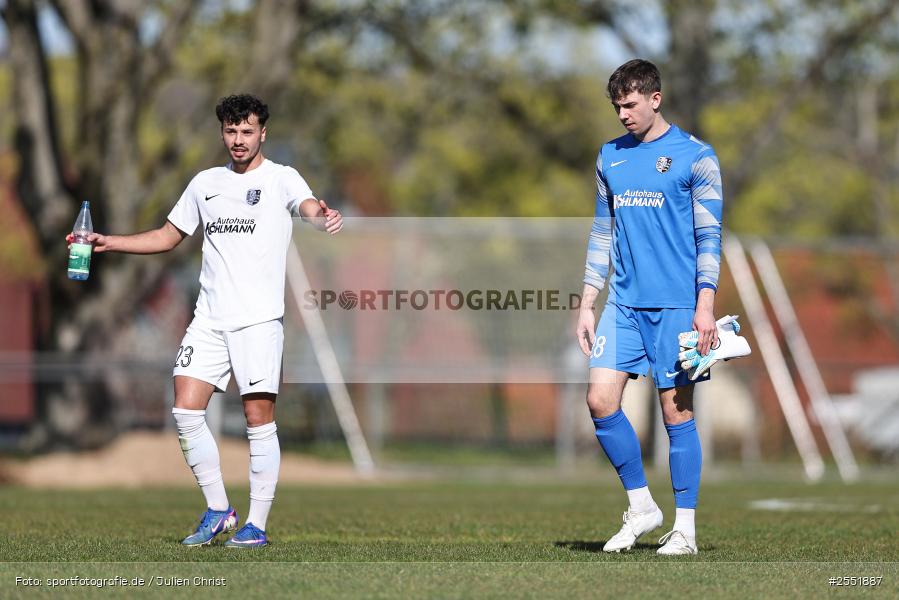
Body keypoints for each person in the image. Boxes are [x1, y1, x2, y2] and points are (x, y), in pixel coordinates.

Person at [67, 94, 343, 548]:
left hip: (258, 322)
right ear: (222, 133)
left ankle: (256, 523)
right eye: (231, 132)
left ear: (262, 133)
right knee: (185, 408)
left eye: (247, 131)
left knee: (259, 419)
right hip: (209, 320)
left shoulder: (281, 179)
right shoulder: (205, 184)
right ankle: (219, 509)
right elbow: (167, 235)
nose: (238, 140)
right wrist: (107, 242)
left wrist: (322, 215)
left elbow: (308, 205)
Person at [575, 59, 723, 555]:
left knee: (675, 413)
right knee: (600, 400)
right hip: (623, 302)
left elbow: (709, 236)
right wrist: (587, 300)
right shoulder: (609, 157)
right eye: (617, 106)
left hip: (679, 306)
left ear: (655, 98)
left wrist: (705, 304)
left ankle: (685, 528)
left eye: (631, 104)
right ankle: (642, 507)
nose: (623, 114)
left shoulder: (696, 157)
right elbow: (602, 232)